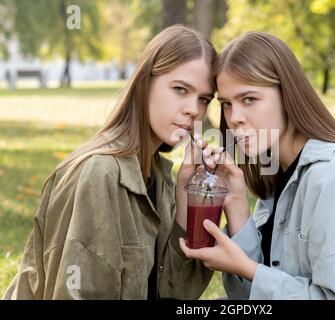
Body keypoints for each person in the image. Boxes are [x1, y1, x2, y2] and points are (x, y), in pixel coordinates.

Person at [179, 32, 335, 300]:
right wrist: (237, 203)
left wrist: (250, 269)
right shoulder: (278, 175)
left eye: (249, 99)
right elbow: (248, 297)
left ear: (287, 95)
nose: (234, 118)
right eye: (227, 104)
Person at [3, 25, 216, 300]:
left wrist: (187, 194)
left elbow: (176, 291)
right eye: (180, 89)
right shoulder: (97, 173)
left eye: (204, 99)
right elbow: (73, 293)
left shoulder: (159, 176)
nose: (194, 109)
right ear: (144, 83)